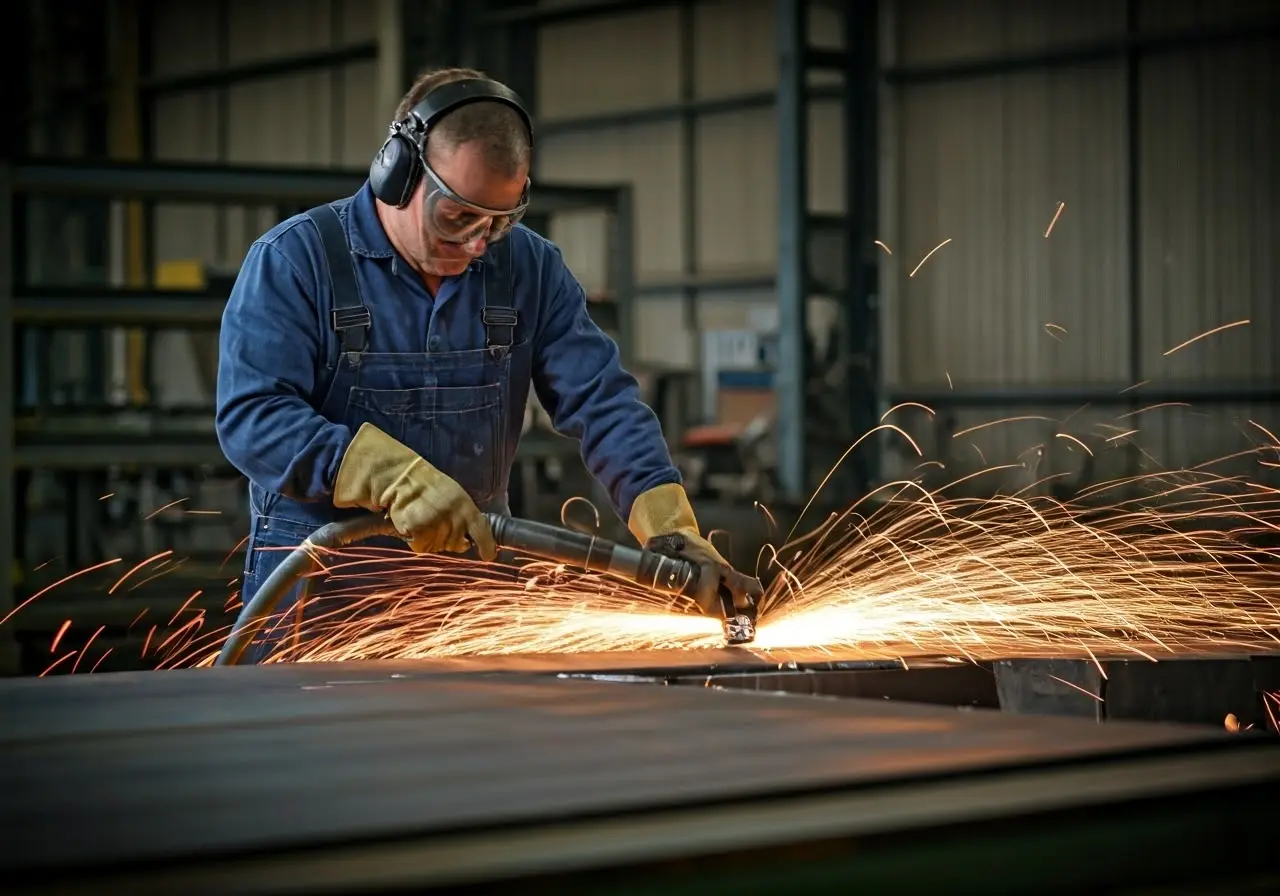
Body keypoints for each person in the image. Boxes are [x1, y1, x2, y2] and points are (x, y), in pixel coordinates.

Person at [215, 67, 760, 662]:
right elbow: (253, 417)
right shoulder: (295, 262)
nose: (478, 244)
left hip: (466, 615)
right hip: (317, 611)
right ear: (396, 172)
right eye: (458, 217)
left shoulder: (528, 269)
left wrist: (672, 530)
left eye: (500, 221)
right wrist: (388, 474)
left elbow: (604, 405)